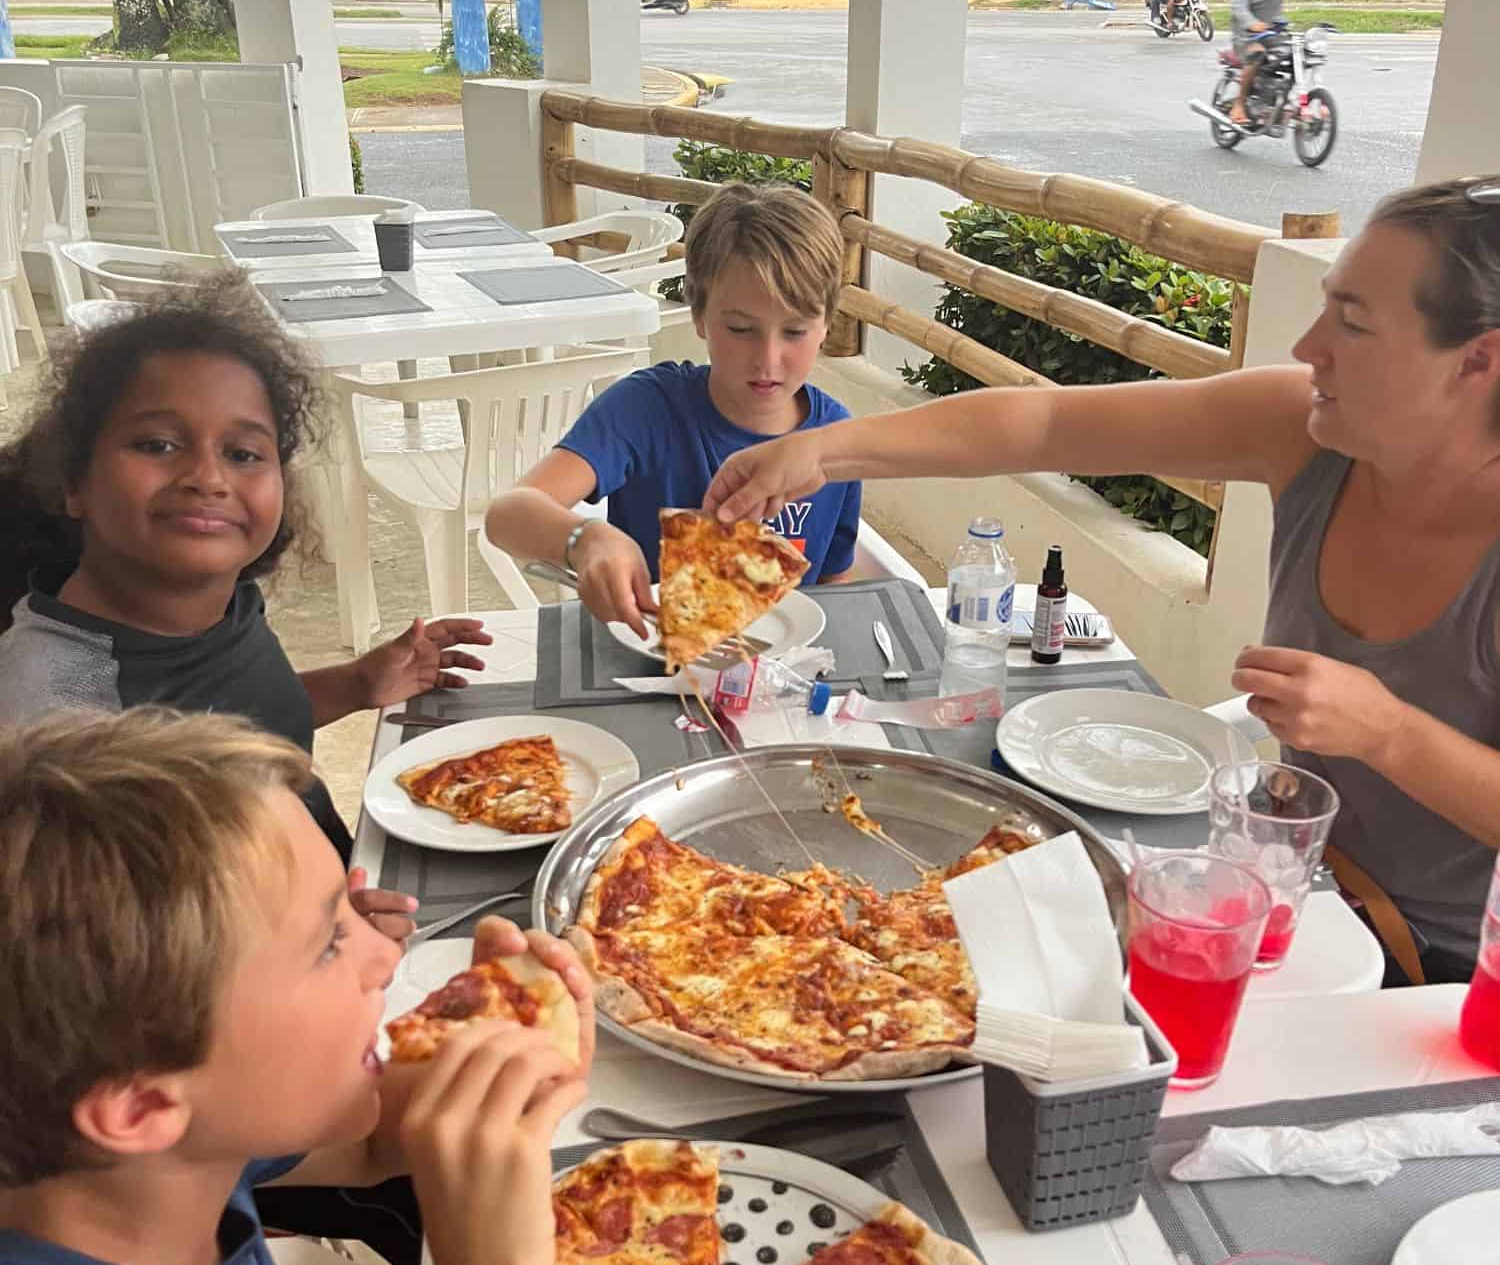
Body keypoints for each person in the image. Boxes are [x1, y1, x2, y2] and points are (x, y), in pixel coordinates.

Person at [706, 180, 1500, 984]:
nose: (1308, 347)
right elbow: (1048, 423)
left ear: (1480, 360)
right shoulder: (1305, 429)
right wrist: (821, 452)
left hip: (1433, 982)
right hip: (1265, 887)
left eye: (1354, 324)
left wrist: (1388, 731)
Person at [0, 705, 601, 1265]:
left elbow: (366, 1144)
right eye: (331, 941)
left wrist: (509, 1042)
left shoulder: (130, 1166)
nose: (386, 953)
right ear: (142, 1107)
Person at [0, 274, 489, 887]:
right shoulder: (54, 708)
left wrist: (360, 682)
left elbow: (236, 725)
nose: (208, 477)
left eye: (243, 454)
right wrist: (319, 938)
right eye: (157, 443)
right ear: (74, 480)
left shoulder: (220, 604)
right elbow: (98, 947)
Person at [484, 183, 863, 639]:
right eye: (740, 329)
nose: (767, 359)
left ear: (827, 326)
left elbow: (835, 582)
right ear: (699, 314)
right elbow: (506, 515)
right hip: (649, 662)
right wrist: (582, 540)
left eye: (795, 331)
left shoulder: (836, 437)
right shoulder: (645, 408)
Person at [1228, 0, 1307, 125]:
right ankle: (1238, 105)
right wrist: (1253, 24)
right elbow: (1239, 9)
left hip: (1273, 33)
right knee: (1257, 55)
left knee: (1299, 54)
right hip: (1246, 36)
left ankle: (1280, 101)